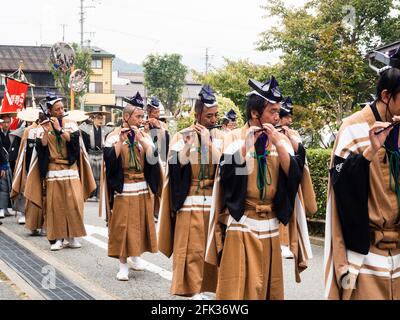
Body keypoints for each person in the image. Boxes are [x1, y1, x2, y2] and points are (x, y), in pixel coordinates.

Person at [205, 77, 310, 300]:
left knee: (268, 290)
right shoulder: (235, 137)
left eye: (278, 112)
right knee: (237, 292)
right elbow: (228, 178)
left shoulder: (280, 140)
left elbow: (294, 176)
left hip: (271, 225)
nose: (277, 117)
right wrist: (247, 146)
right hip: (243, 222)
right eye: (272, 111)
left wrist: (282, 144)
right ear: (255, 113)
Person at [324, 64, 400, 300]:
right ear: (386, 96)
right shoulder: (352, 127)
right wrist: (369, 152)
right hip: (365, 256)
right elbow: (340, 188)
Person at [158, 85, 224, 300]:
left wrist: (207, 142)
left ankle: (212, 289)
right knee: (191, 249)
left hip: (214, 203)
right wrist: (189, 145)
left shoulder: (224, 137)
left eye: (215, 115)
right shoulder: (181, 135)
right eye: (208, 115)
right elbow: (175, 167)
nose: (213, 119)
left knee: (211, 248)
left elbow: (228, 166)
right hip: (190, 202)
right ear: (197, 115)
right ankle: (193, 290)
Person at [24, 94, 96, 251]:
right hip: (53, 170)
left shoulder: (71, 125)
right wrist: (45, 132)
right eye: (57, 109)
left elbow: (75, 143)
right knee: (55, 206)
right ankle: (57, 239)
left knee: (73, 203)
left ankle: (72, 237)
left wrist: (59, 129)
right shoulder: (44, 127)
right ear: (50, 111)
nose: (61, 111)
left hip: (70, 169)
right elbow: (41, 148)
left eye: (62, 108)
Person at [102, 92, 161, 281]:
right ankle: (123, 264)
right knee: (122, 226)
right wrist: (121, 141)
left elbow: (153, 159)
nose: (141, 120)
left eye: (142, 116)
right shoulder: (112, 136)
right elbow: (110, 162)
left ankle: (136, 255)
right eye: (138, 116)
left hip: (142, 186)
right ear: (126, 117)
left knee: (139, 224)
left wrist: (144, 140)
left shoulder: (144, 135)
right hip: (124, 187)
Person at [277, 97, 317, 259]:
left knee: (291, 210)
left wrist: (291, 140)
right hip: (276, 176)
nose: (290, 120)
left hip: (291, 174)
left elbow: (300, 157)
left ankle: (288, 243)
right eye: (287, 116)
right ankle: (282, 242)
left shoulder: (292, 133)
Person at [11, 107, 45, 232]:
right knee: (30, 194)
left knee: (44, 196)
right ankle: (31, 223)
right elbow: (23, 152)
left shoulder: (48, 128)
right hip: (30, 166)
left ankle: (44, 224)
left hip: (45, 167)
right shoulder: (28, 131)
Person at [80, 111, 113, 200]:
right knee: (92, 175)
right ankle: (91, 194)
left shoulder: (105, 129)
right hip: (91, 153)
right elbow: (80, 128)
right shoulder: (87, 128)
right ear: (93, 119)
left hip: (101, 154)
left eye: (102, 118)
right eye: (98, 118)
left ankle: (99, 194)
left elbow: (114, 129)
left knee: (100, 176)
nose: (100, 120)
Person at [0, 111, 18, 219]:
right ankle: (1, 208)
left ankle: (5, 208)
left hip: (8, 162)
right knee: (2, 187)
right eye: (4, 122)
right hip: (2, 162)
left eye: (8, 122)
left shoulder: (12, 134)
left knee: (8, 187)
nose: (6, 124)